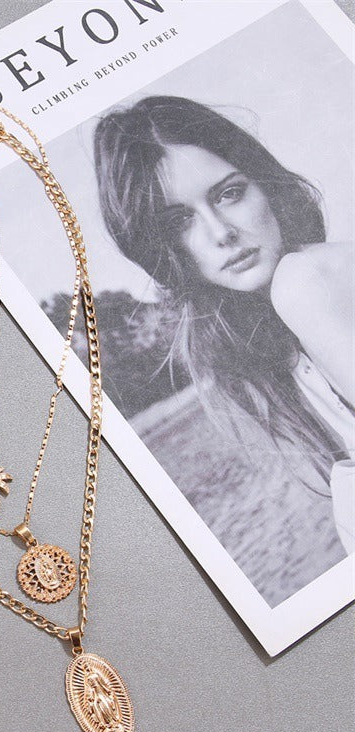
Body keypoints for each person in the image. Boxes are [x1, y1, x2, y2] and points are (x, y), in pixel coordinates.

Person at [92, 95, 353, 554]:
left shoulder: (304, 281)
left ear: (264, 184)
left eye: (229, 193)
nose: (220, 232)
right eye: (180, 221)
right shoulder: (273, 329)